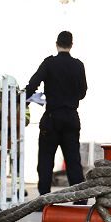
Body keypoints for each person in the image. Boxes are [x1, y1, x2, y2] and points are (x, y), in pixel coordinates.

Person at [26, 30, 87, 198]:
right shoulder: (78, 65)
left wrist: (25, 99)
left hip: (52, 118)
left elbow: (32, 84)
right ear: (71, 45)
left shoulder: (49, 63)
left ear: (56, 44)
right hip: (71, 118)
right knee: (73, 160)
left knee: (46, 159)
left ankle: (45, 197)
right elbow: (82, 92)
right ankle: (80, 199)